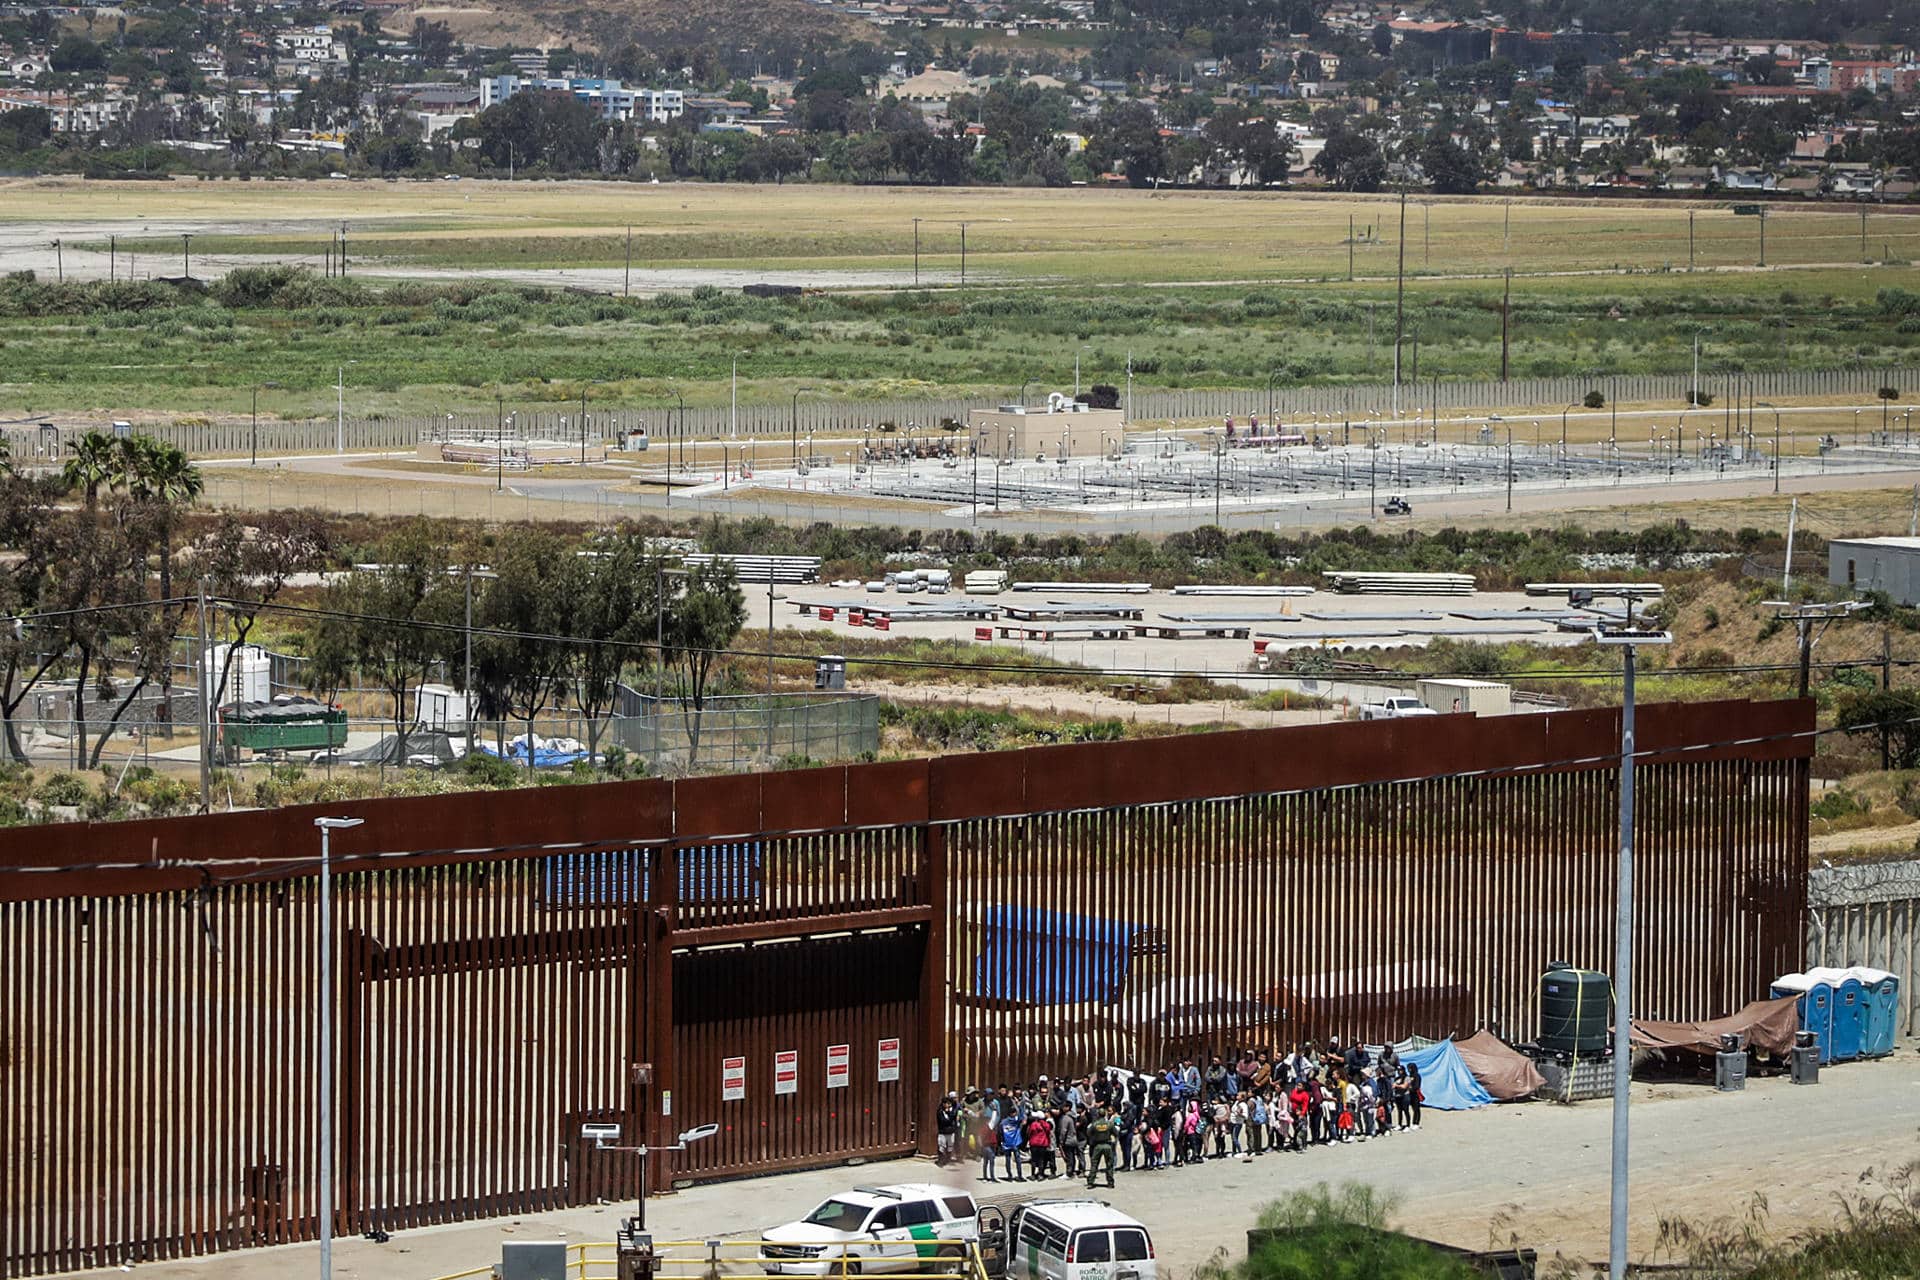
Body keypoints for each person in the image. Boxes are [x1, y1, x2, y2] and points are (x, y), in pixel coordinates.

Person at [1084, 1105, 1118, 1189]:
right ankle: (1110, 1183)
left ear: (1098, 1115)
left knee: (1094, 1164)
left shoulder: (1094, 1124)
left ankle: (1091, 1182)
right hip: (1107, 1145)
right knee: (1109, 1165)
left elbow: (1088, 1133)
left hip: (1097, 1146)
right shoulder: (1109, 1124)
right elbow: (1116, 1133)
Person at [998, 1109, 1026, 1182]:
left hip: (1006, 1143)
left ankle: (1009, 1176)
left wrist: (1001, 1142)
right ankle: (1019, 1176)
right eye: (1015, 1113)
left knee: (1008, 1160)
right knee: (1018, 1160)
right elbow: (1022, 1115)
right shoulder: (1016, 1121)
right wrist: (1019, 1105)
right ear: (1012, 1113)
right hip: (1015, 1143)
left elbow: (1000, 1133)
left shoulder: (1002, 1122)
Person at [1059, 1105, 1082, 1179]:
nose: (1062, 1108)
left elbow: (1064, 1130)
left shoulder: (1066, 1118)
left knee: (1069, 1157)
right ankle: (1072, 1171)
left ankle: (1069, 1173)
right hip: (1074, 1139)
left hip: (1068, 1140)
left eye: (1064, 1106)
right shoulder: (1073, 1117)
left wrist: (1061, 1140)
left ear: (1068, 1107)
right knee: (1072, 1157)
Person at [936, 1093, 960, 1165]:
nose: (949, 1105)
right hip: (943, 1132)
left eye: (950, 1104)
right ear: (943, 1104)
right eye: (947, 1103)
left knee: (950, 1146)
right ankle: (941, 1160)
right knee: (941, 1146)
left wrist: (950, 1113)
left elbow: (954, 1117)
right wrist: (950, 1116)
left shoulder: (951, 1111)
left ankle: (947, 1159)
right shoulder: (940, 1111)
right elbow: (944, 1121)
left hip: (951, 1131)